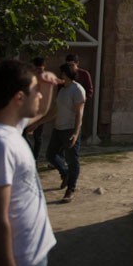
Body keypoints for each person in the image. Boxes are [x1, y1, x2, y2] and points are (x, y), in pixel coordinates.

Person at [0, 58, 60, 266]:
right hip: (20, 260)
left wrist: (46, 86)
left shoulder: (7, 127)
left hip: (30, 254)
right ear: (19, 98)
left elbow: (41, 111)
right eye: (34, 90)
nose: (39, 95)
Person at [46, 62, 85, 203]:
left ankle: (70, 189)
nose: (59, 76)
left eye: (61, 73)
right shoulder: (62, 90)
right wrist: (39, 122)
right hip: (58, 129)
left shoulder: (77, 89)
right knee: (50, 155)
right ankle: (65, 173)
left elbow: (79, 113)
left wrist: (75, 132)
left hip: (69, 129)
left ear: (66, 74)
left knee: (72, 160)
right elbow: (55, 111)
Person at [24, 57, 47, 160]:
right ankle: (29, 157)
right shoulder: (29, 80)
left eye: (41, 70)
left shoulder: (45, 81)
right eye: (37, 69)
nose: (39, 72)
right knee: (23, 135)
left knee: (38, 138)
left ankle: (35, 160)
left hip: (39, 112)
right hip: (27, 112)